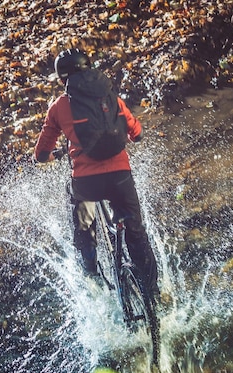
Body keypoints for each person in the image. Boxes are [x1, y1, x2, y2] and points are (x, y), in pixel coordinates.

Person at [33, 48, 159, 301]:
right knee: (136, 231)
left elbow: (42, 151)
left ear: (62, 79)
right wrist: (134, 134)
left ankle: (91, 273)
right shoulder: (110, 97)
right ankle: (153, 293)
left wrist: (47, 156)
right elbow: (136, 131)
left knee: (84, 226)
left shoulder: (59, 107)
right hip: (120, 177)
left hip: (87, 183)